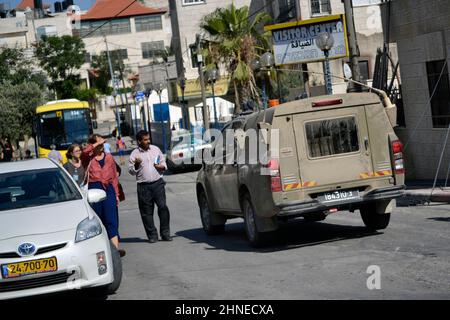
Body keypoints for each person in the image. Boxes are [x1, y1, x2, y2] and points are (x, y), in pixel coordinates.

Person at [83, 135, 126, 257]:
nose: (102, 145)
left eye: (103, 143)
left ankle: (115, 251)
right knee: (99, 220)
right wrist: (96, 144)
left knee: (112, 219)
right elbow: (84, 152)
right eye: (99, 143)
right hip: (94, 189)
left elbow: (114, 178)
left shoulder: (109, 157)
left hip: (108, 190)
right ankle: (102, 250)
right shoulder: (88, 159)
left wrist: (117, 194)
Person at [128, 130, 172, 243]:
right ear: (139, 141)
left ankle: (165, 233)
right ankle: (152, 235)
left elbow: (164, 164)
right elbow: (131, 171)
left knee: (163, 207)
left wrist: (160, 166)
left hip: (158, 183)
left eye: (148, 139)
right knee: (147, 212)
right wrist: (137, 164)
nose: (148, 141)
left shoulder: (155, 149)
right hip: (143, 187)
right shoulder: (134, 154)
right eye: (145, 139)